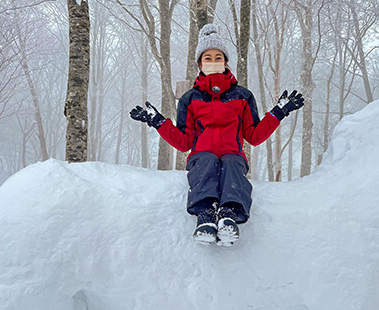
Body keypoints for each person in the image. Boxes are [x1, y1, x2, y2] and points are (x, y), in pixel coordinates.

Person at [130, 24, 304, 246]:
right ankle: (205, 216)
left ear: (225, 62)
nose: (213, 62)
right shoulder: (190, 99)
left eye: (218, 57)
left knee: (232, 162)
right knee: (207, 160)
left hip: (233, 154)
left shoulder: (243, 96)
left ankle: (229, 215)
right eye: (208, 58)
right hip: (201, 156)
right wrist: (158, 121)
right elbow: (184, 142)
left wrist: (279, 112)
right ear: (200, 64)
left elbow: (254, 135)